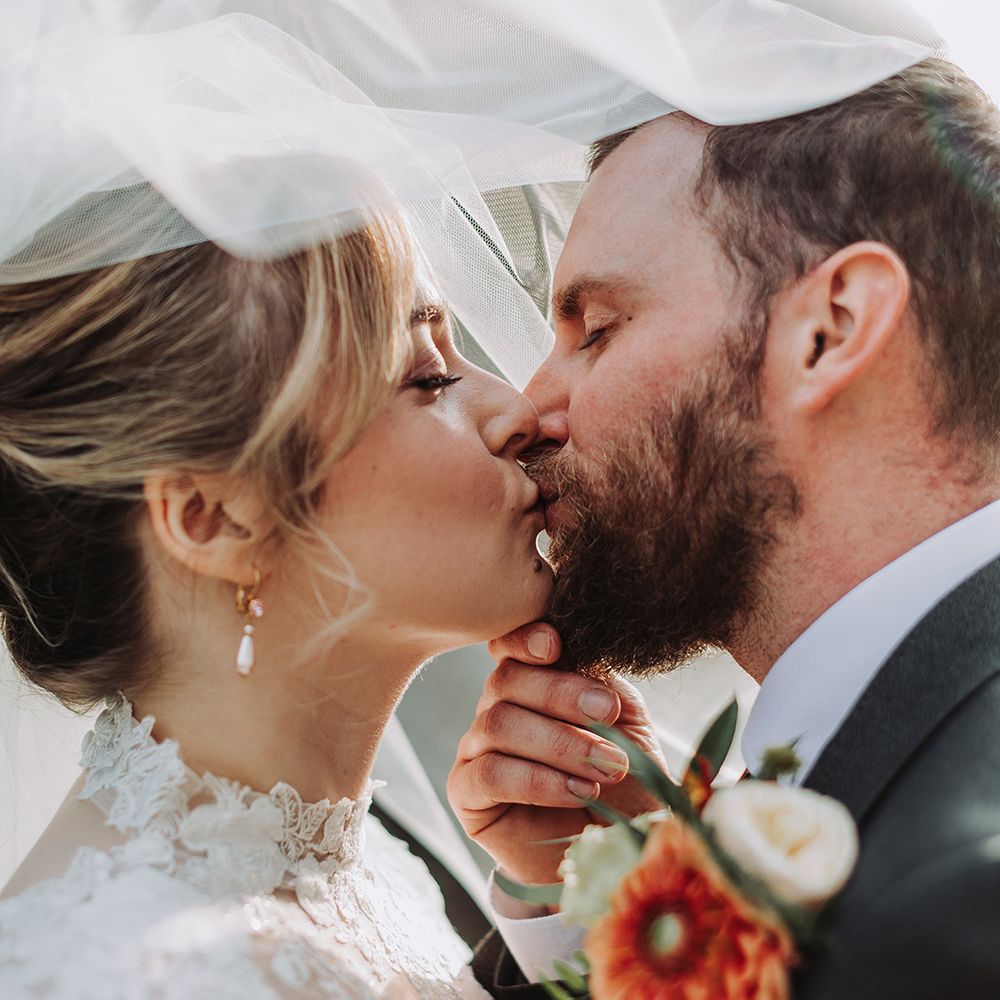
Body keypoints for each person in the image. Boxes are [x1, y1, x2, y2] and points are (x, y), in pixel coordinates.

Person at [452, 57, 1000, 998]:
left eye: (598, 329)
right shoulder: (891, 754)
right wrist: (615, 899)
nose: (530, 408)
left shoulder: (968, 888)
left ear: (831, 329)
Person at [0, 215, 568, 997]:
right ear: (214, 518)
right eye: (430, 378)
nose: (518, 412)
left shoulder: (373, 876)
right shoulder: (127, 973)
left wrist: (577, 906)